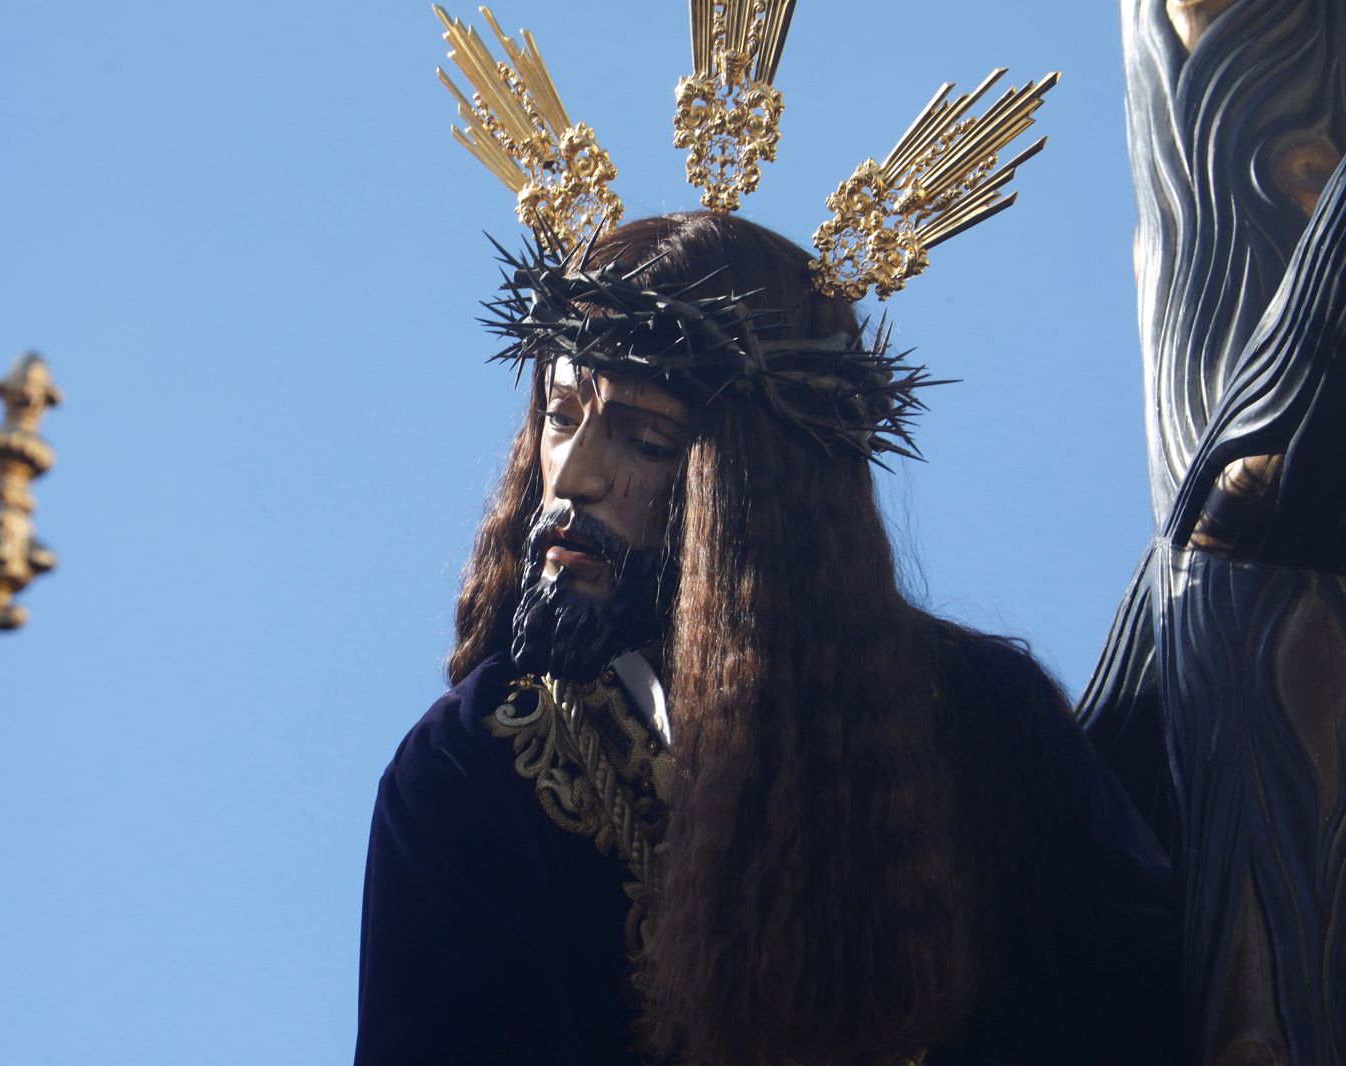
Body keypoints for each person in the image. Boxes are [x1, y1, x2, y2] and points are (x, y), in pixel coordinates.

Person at [356, 212, 1182, 1066]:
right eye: (561, 417)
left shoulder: (985, 726)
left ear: (759, 488)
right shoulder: (478, 769)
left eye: (643, 438)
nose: (571, 474)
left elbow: (1150, 1011)